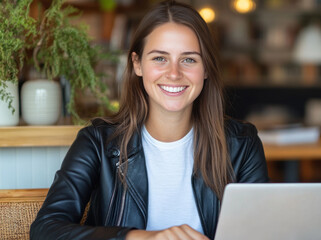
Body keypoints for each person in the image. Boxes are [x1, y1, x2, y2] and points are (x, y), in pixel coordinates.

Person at [30, 1, 269, 239]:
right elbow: (45, 230)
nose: (174, 74)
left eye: (189, 60)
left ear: (206, 68)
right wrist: (140, 237)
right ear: (137, 64)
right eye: (159, 58)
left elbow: (262, 232)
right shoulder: (98, 143)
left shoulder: (241, 145)